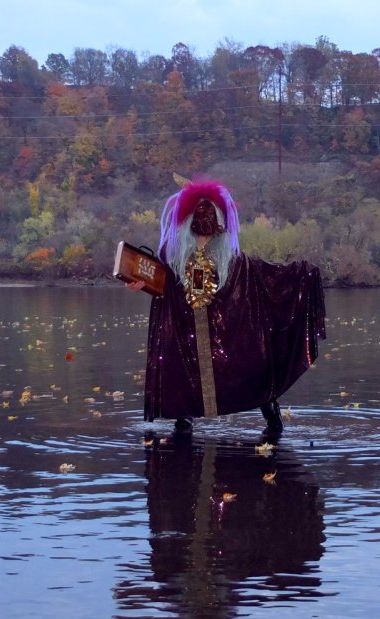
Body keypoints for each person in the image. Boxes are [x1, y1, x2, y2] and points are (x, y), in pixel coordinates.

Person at [128, 178, 325, 435]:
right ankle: (183, 419)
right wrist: (139, 283)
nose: (205, 228)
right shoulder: (172, 253)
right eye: (200, 221)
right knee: (183, 369)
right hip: (184, 328)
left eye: (210, 221)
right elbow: (160, 283)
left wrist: (302, 276)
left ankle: (269, 409)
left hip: (225, 330)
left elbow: (263, 277)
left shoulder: (232, 259)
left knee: (248, 365)